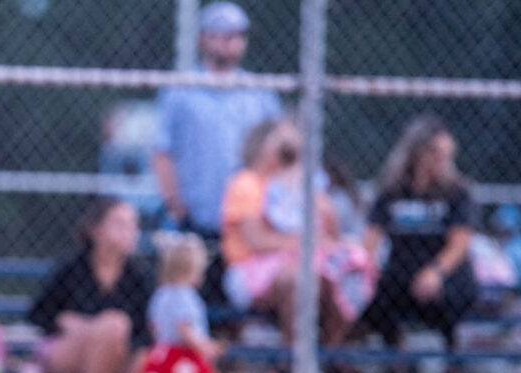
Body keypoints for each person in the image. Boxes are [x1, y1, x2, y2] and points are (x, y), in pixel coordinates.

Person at [27, 198, 156, 373]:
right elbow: (38, 313)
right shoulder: (72, 267)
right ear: (95, 229)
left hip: (118, 357)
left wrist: (97, 330)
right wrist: (65, 322)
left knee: (124, 335)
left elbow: (144, 330)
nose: (129, 231)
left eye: (132, 225)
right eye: (119, 224)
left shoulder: (138, 276)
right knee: (114, 324)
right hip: (69, 353)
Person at [152, 1, 281, 243]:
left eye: (236, 35)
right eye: (220, 34)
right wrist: (175, 205)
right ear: (202, 38)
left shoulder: (260, 93)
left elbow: (279, 155)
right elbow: (162, 152)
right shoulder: (180, 90)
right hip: (195, 218)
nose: (229, 42)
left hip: (249, 222)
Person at [220, 119, 354, 347]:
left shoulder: (302, 183)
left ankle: (333, 351)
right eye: (283, 144)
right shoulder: (247, 182)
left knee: (345, 272)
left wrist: (318, 199)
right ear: (262, 145)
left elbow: (331, 234)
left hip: (305, 260)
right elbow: (256, 241)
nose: (289, 150)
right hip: (250, 270)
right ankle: (293, 357)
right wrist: (307, 242)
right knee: (298, 278)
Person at [356, 114, 478, 352]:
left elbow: (459, 244)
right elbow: (371, 239)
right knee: (367, 295)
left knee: (446, 294)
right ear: (416, 152)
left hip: (446, 272)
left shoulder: (456, 192)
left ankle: (452, 352)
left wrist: (436, 272)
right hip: (400, 272)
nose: (441, 161)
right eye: (434, 153)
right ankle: (396, 349)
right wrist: (365, 269)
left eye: (446, 154)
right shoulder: (392, 191)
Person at [126, 233, 222, 373]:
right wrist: (205, 346)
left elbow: (153, 324)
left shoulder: (161, 293)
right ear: (190, 270)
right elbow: (184, 328)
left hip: (160, 352)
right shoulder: (185, 295)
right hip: (178, 356)